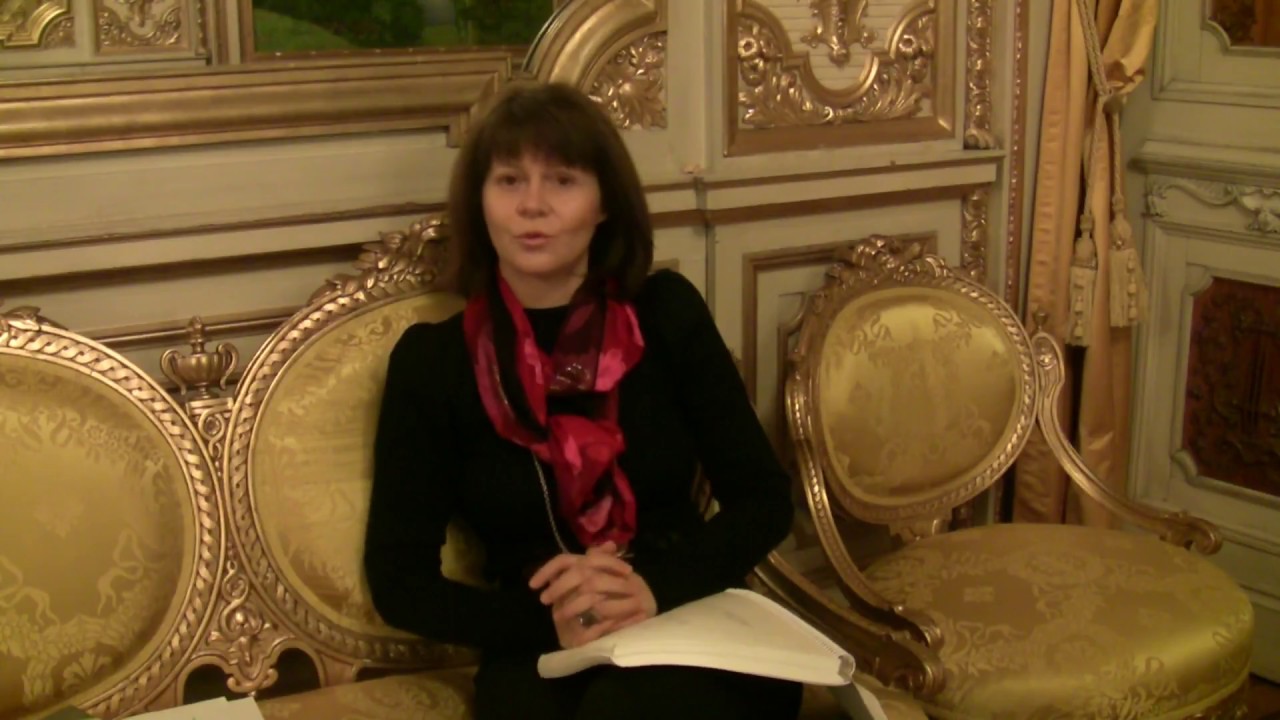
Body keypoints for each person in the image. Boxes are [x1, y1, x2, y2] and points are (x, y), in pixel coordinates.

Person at [364, 81, 802, 720]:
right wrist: (549, 620)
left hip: (690, 613)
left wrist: (651, 589)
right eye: (509, 181)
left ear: (605, 205)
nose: (531, 205)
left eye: (562, 181)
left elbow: (763, 500)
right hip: (539, 639)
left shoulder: (666, 315)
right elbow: (399, 582)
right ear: (480, 203)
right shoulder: (433, 364)